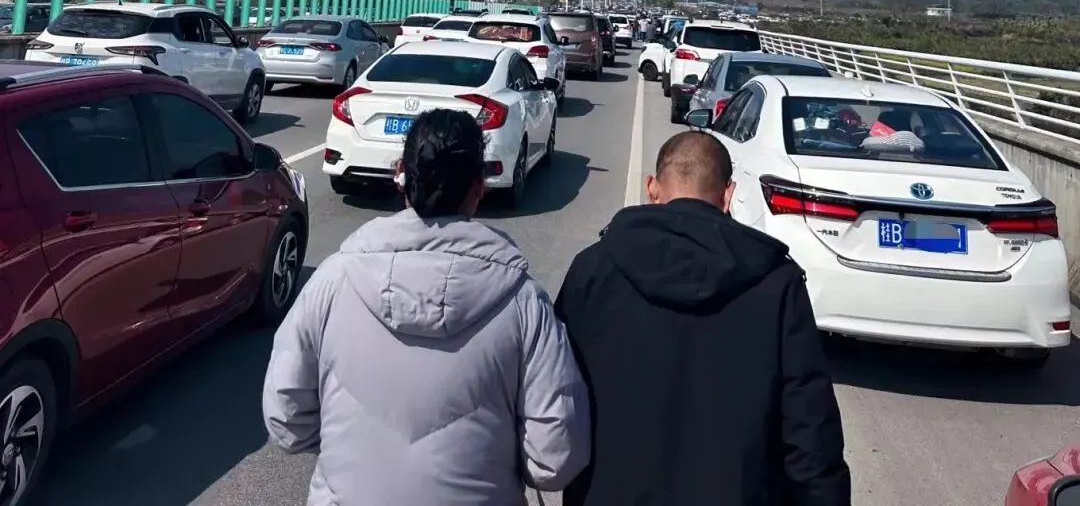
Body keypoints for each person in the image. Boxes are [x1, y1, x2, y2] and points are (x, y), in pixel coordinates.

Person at [263, 108, 590, 505]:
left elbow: (285, 417)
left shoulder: (332, 281)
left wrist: (350, 450)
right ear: (479, 186)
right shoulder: (523, 302)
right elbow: (555, 457)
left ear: (401, 173)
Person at [555, 130, 851, 506]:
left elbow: (554, 395)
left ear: (652, 188)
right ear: (728, 195)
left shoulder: (593, 269)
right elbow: (810, 430)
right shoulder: (776, 283)